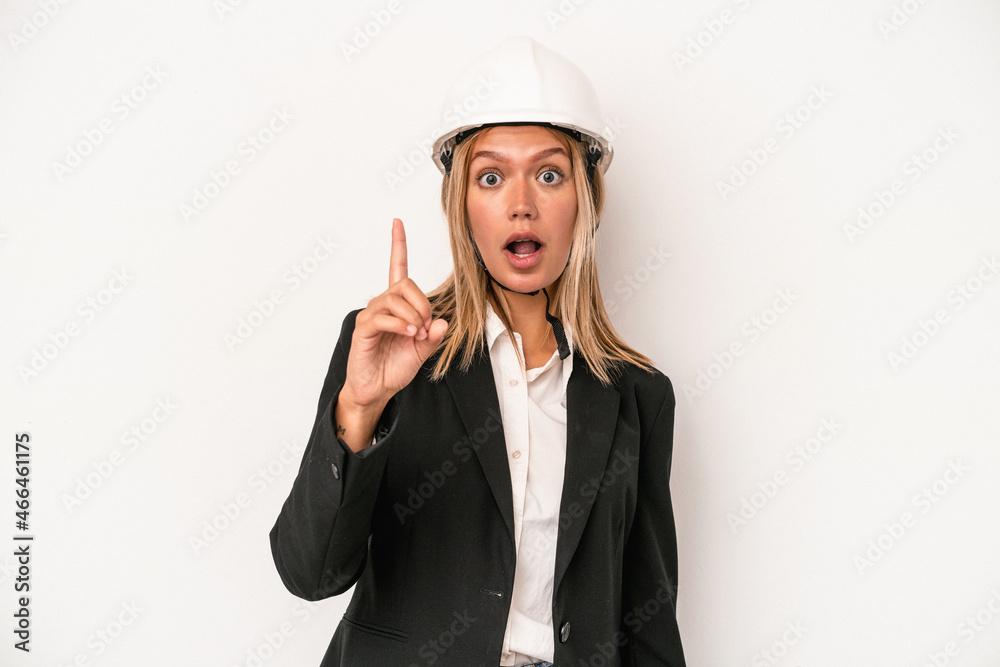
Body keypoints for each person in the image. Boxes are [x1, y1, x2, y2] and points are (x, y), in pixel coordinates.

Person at [270, 36, 686, 666]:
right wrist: (359, 407)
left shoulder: (638, 397)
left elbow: (648, 621)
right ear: (461, 205)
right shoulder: (389, 351)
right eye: (491, 177)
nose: (521, 204)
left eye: (549, 174)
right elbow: (311, 574)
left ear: (587, 200)